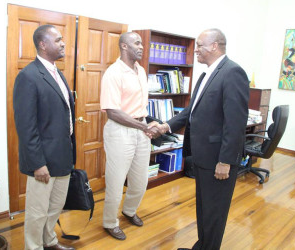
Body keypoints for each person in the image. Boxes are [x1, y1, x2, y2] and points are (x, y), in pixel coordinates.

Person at [150, 28, 249, 250]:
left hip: (218, 159)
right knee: (205, 208)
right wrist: (166, 126)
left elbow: (235, 123)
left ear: (214, 46)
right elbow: (190, 112)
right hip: (203, 156)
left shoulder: (233, 72)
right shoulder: (206, 74)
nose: (196, 51)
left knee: (215, 213)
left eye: (200, 46)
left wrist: (225, 161)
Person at [13, 25, 76, 250]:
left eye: (62, 39)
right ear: (43, 44)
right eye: (58, 39)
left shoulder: (57, 73)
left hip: (63, 156)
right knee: (37, 212)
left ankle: (49, 241)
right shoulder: (28, 76)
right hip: (43, 161)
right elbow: (26, 126)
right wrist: (38, 163)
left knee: (55, 208)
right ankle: (34, 247)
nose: (63, 43)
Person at [100, 32, 158, 240]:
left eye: (141, 43)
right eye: (136, 43)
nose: (141, 46)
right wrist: (144, 127)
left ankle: (129, 211)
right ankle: (109, 222)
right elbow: (113, 111)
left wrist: (148, 123)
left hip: (141, 128)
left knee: (140, 180)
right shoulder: (113, 73)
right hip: (120, 130)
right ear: (124, 46)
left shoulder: (141, 70)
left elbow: (139, 106)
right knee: (116, 182)